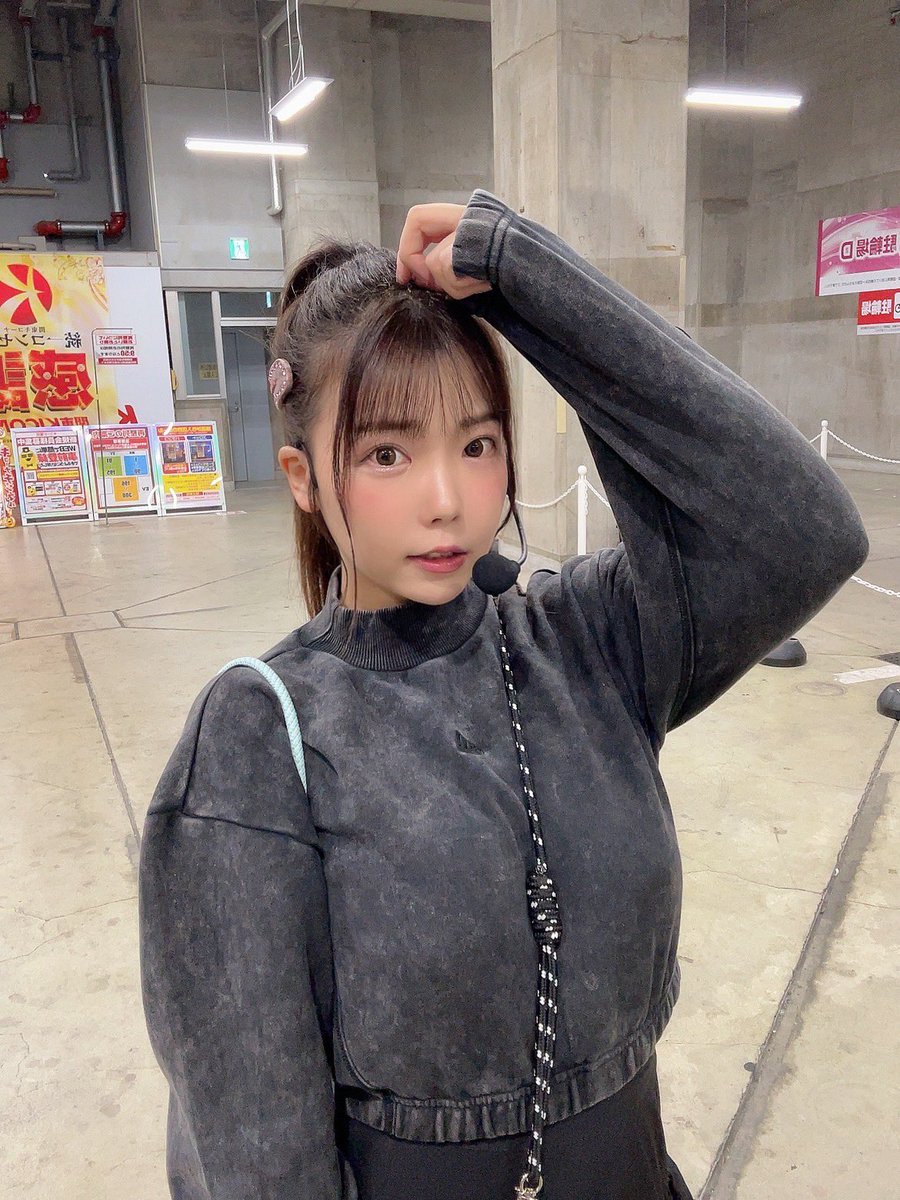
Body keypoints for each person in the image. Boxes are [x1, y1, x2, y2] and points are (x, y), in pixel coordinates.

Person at [138, 189, 869, 1200]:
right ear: (303, 478)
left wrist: (529, 280)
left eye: (478, 444)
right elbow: (253, 1140)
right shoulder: (260, 734)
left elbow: (804, 534)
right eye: (387, 453)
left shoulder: (590, 645)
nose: (447, 499)